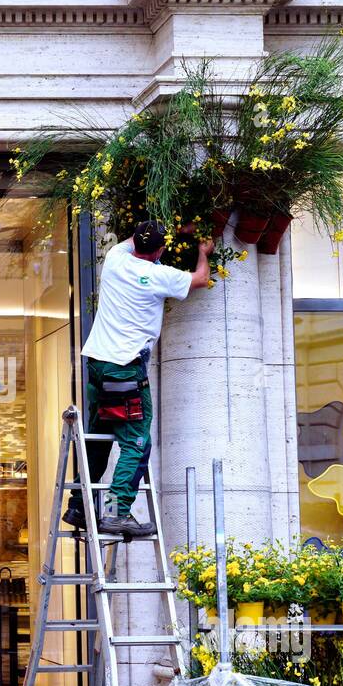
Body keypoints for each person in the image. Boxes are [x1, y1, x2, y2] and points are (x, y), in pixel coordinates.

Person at [64, 221, 211, 538]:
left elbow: (132, 239)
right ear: (159, 250)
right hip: (126, 368)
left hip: (98, 364)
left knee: (99, 437)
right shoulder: (161, 276)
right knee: (136, 442)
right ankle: (117, 512)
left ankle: (78, 505)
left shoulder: (116, 258)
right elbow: (201, 279)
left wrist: (169, 230)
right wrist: (203, 251)